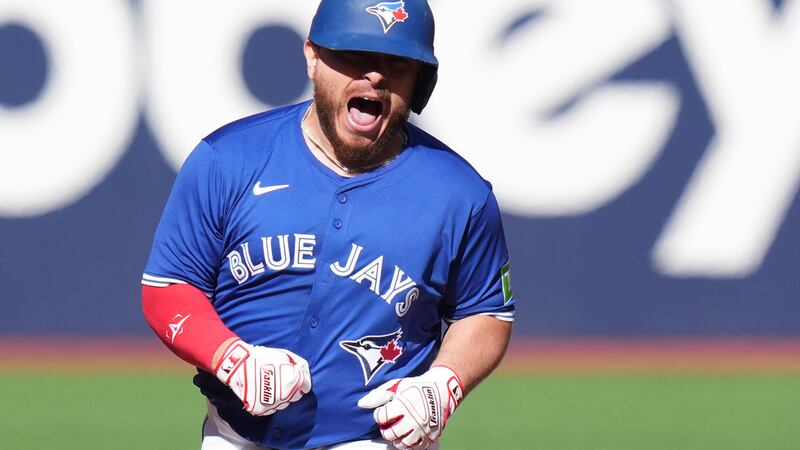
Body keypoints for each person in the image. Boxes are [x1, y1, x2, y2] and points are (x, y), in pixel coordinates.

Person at [141, 1, 515, 449]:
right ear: (313, 57)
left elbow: (485, 311)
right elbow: (169, 286)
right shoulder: (227, 160)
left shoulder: (460, 195)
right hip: (234, 436)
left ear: (419, 81)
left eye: (397, 64)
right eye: (353, 56)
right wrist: (230, 358)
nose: (374, 76)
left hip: (373, 439)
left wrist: (443, 384)